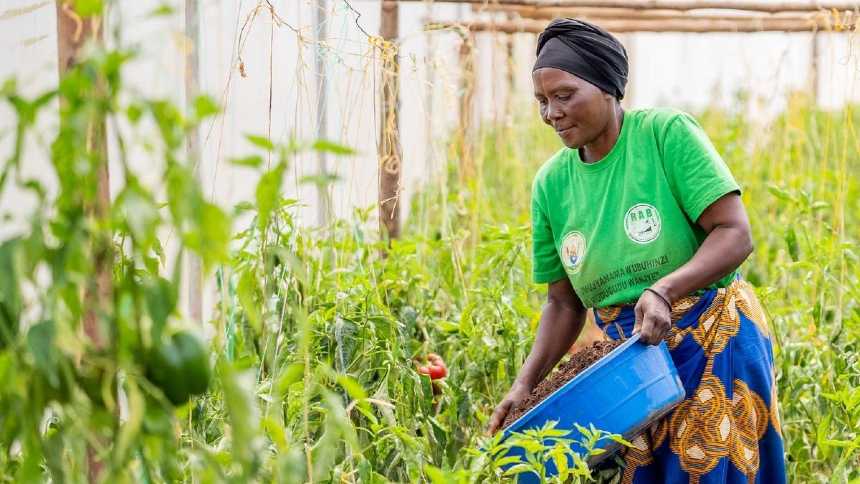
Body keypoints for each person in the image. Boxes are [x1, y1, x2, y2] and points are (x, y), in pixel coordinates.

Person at [486, 18, 786, 483]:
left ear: (608, 87)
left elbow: (734, 233)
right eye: (543, 102)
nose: (552, 113)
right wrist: (525, 386)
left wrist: (665, 290)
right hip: (631, 360)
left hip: (712, 335)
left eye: (565, 95)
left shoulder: (665, 135)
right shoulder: (552, 184)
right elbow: (563, 303)